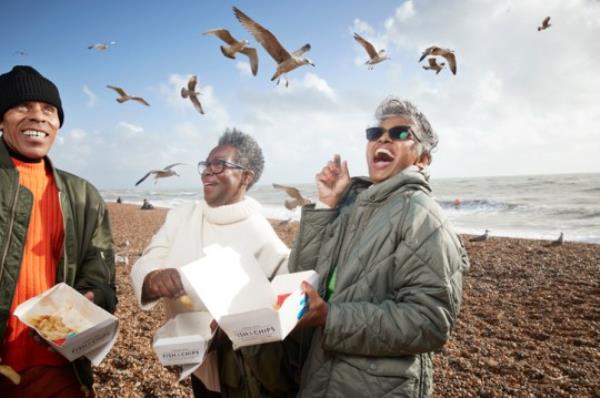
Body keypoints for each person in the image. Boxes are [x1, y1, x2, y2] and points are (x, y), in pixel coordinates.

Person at [287, 96, 469, 397]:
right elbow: (302, 275)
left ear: (422, 160)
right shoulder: (352, 206)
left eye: (400, 133)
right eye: (375, 133)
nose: (383, 137)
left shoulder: (422, 216)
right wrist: (327, 205)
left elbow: (431, 322)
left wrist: (331, 318)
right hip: (322, 375)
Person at [131, 129, 292, 397]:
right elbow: (145, 261)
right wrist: (152, 278)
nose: (207, 171)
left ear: (246, 177)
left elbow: (283, 303)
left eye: (219, 165)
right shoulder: (182, 216)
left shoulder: (262, 234)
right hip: (190, 359)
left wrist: (238, 322)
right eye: (206, 164)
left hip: (241, 374)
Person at [0, 65, 117, 396]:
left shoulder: (83, 195)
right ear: (1, 119)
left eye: (48, 110)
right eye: (23, 106)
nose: (38, 117)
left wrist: (93, 297)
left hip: (58, 366)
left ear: (58, 125)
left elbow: (101, 277)